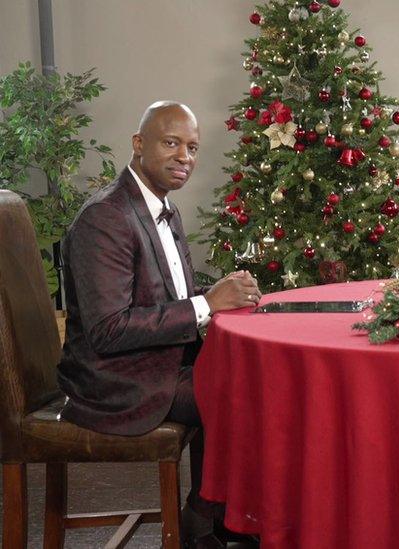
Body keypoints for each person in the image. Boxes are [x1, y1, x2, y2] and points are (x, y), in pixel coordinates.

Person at [57, 101, 261, 547]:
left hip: (157, 362)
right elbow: (108, 330)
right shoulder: (105, 217)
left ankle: (222, 515)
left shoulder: (162, 208)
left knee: (250, 375)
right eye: (171, 143)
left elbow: (169, 302)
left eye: (192, 147)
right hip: (111, 380)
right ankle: (201, 519)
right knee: (239, 393)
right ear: (138, 144)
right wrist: (207, 304)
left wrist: (222, 295)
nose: (184, 156)